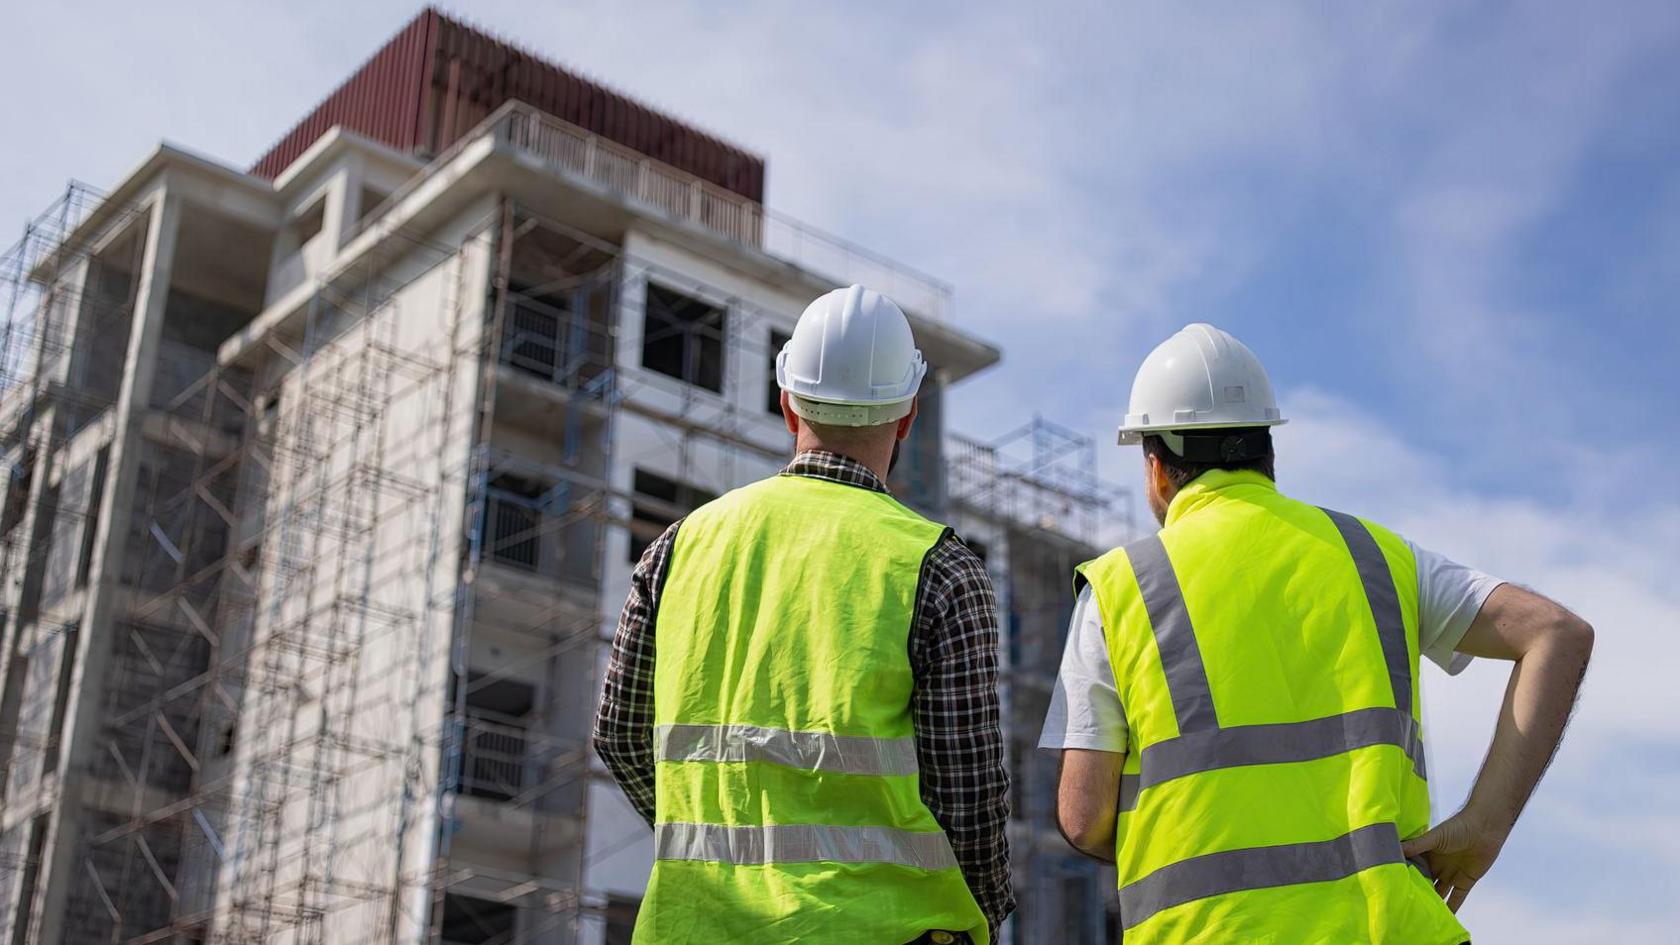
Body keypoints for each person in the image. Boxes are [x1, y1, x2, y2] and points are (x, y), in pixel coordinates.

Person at [1040, 323, 1593, 943]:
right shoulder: (1377, 557)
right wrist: (1485, 824)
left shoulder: (1119, 589)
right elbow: (1555, 633)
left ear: (1156, 467)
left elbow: (1084, 819)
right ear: (1267, 451)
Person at [593, 285, 1013, 944]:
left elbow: (619, 735)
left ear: (787, 402)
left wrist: (710, 841)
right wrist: (982, 909)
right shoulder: (940, 568)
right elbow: (968, 789)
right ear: (906, 416)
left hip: (693, 926)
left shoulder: (676, 550)